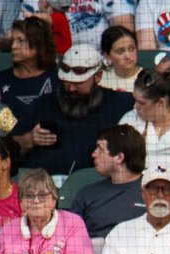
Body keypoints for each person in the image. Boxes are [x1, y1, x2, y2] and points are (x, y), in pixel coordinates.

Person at [12, 44, 135, 174]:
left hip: (95, 185)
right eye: (67, 82)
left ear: (98, 76)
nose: (71, 89)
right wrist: (29, 139)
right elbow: (9, 147)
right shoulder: (43, 103)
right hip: (42, 184)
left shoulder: (120, 104)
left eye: (78, 83)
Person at [70, 124, 147, 254]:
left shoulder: (152, 191)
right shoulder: (87, 193)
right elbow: (70, 237)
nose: (93, 154)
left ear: (119, 157)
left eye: (100, 149)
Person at [0, 17, 58, 126]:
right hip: (7, 139)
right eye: (13, 41)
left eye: (20, 41)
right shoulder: (0, 79)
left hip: (47, 139)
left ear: (39, 43)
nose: (14, 47)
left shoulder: (56, 79)